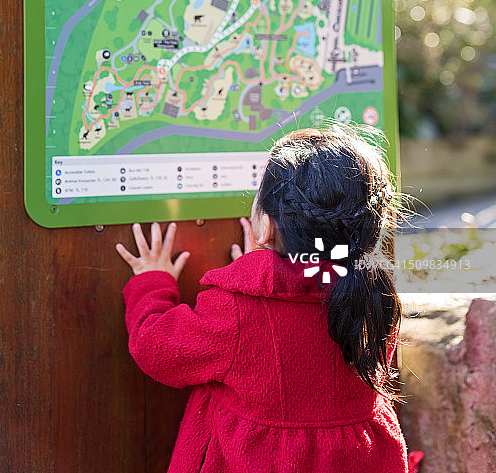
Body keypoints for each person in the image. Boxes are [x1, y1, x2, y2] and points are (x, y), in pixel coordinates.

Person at [116, 123, 410, 472]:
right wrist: (261, 270)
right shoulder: (374, 294)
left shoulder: (238, 310)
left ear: (266, 226)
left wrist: (152, 283)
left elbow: (158, 347)